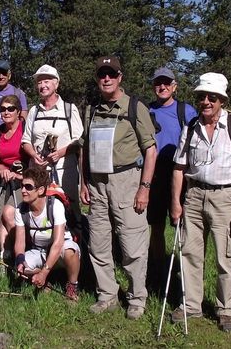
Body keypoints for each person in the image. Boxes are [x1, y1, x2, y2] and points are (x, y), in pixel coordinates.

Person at [170, 72, 231, 332]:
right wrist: (176, 203)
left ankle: (226, 309)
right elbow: (178, 168)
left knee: (226, 256)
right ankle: (191, 306)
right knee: (189, 253)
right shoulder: (190, 128)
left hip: (225, 198)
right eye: (201, 97)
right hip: (194, 195)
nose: (206, 101)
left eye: (212, 97)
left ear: (222, 99)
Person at [80, 55, 157, 320]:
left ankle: (137, 299)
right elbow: (84, 149)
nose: (106, 78)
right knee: (98, 243)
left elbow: (151, 150)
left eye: (111, 74)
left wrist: (144, 187)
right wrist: (83, 182)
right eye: (102, 74)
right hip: (97, 184)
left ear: (120, 77)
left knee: (131, 244)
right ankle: (107, 295)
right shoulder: (90, 109)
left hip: (127, 182)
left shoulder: (135, 107)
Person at [147, 67, 197, 291]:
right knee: (155, 225)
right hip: (154, 173)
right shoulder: (146, 110)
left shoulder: (185, 111)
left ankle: (185, 270)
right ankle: (158, 268)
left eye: (167, 83)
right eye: (158, 83)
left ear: (174, 86)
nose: (162, 87)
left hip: (179, 172)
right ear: (154, 86)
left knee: (183, 224)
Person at [21, 64, 83, 236]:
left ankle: (76, 252)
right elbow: (26, 141)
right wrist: (33, 154)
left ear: (56, 84)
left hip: (65, 171)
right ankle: (43, 250)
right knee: (40, 211)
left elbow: (79, 140)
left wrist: (61, 153)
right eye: (39, 82)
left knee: (70, 211)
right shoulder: (34, 111)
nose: (43, 85)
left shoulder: (70, 109)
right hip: (39, 173)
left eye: (47, 81)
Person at [14, 166, 80, 301]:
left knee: (69, 250)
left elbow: (58, 242)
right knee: (21, 266)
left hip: (60, 248)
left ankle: (72, 286)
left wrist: (45, 271)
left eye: (28, 187)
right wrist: (20, 261)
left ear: (41, 190)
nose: (23, 190)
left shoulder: (55, 205)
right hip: (39, 251)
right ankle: (44, 283)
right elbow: (19, 242)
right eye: (22, 186)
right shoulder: (20, 210)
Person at [0, 95, 26, 260]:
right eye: (3, 109)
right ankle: (5, 256)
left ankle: (23, 250)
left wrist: (19, 174)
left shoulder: (25, 129)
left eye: (10, 108)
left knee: (9, 215)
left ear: (18, 111)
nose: (6, 112)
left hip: (23, 180)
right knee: (1, 217)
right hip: (3, 178)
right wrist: (1, 168)